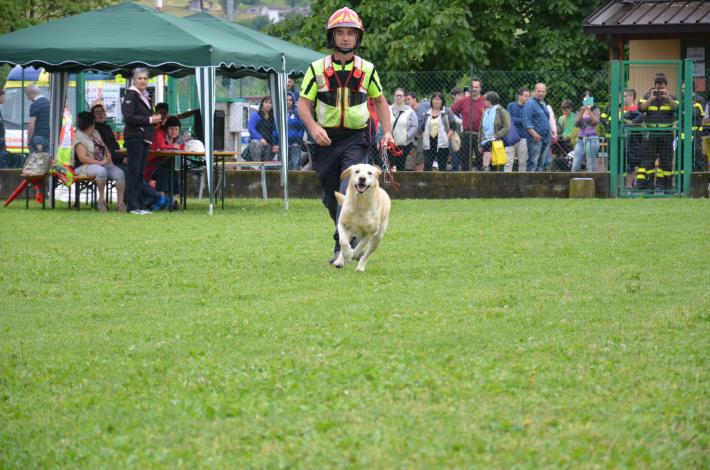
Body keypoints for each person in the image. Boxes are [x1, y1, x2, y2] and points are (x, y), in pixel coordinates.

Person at [297, 6, 393, 264]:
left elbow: (380, 102)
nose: (346, 38)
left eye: (351, 33)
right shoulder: (316, 68)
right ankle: (345, 233)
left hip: (357, 138)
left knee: (348, 186)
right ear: (332, 36)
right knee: (332, 198)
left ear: (358, 37)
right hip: (325, 139)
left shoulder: (367, 69)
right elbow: (303, 104)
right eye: (340, 33)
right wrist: (314, 128)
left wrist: (387, 133)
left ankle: (341, 246)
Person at [91, 103, 165, 210]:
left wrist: (125, 156)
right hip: (107, 162)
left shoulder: (107, 127)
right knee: (130, 174)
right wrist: (122, 158)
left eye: (102, 112)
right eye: (97, 113)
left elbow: (115, 147)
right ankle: (156, 197)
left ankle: (146, 201)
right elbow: (103, 150)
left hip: (117, 159)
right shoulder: (95, 131)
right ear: (92, 116)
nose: (101, 114)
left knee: (135, 172)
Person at [121, 67, 162, 215]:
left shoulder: (146, 96)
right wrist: (151, 119)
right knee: (133, 172)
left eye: (145, 78)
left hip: (145, 138)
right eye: (140, 78)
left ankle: (139, 204)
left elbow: (145, 117)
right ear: (134, 80)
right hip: (135, 137)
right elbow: (129, 117)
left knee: (140, 173)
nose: (143, 81)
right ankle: (132, 206)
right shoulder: (130, 95)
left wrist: (154, 120)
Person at [72, 111, 126, 212]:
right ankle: (101, 200)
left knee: (120, 173)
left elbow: (104, 146)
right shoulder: (79, 136)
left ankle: (120, 203)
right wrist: (100, 163)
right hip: (84, 166)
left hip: (102, 163)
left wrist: (109, 156)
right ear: (91, 123)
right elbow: (82, 158)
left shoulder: (95, 133)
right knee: (101, 171)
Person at [638, 73, 678, 190]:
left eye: (662, 87)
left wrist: (668, 98)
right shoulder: (648, 96)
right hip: (651, 133)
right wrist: (651, 98)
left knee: (666, 160)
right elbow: (641, 108)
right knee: (648, 159)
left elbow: (676, 108)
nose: (659, 90)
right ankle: (649, 186)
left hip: (666, 133)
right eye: (657, 87)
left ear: (666, 86)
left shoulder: (672, 97)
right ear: (654, 86)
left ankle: (666, 186)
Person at [450, 77, 485, 171]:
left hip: (480, 135)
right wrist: (458, 121)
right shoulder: (464, 101)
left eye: (477, 87)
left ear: (480, 88)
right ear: (470, 88)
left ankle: (480, 178)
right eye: (473, 87)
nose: (474, 89)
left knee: (481, 161)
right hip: (466, 135)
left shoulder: (485, 101)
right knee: (465, 162)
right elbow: (450, 111)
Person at [150, 115, 184, 209]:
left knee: (174, 173)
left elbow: (183, 147)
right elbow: (161, 146)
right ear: (166, 129)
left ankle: (173, 201)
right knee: (164, 171)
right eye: (171, 129)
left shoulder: (179, 138)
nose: (174, 132)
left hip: (165, 166)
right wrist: (173, 146)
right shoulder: (160, 134)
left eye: (176, 129)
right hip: (152, 165)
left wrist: (176, 146)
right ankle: (161, 198)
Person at [479, 91, 512, 171]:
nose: (483, 101)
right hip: (485, 140)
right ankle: (486, 168)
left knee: (497, 166)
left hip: (498, 141)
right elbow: (481, 129)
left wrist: (496, 135)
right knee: (487, 146)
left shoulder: (501, 111)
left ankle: (485, 167)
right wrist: (479, 144)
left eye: (485, 99)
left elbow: (507, 127)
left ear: (490, 100)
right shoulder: (485, 112)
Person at [420, 92, 453, 171]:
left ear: (442, 101)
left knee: (442, 166)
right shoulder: (427, 113)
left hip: (442, 144)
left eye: (438, 99)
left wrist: (446, 138)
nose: (436, 101)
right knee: (427, 166)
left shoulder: (447, 112)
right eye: (434, 99)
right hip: (429, 143)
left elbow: (453, 126)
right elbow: (422, 128)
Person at [523, 82, 551, 172]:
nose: (541, 93)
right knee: (533, 163)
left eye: (543, 91)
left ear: (546, 93)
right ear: (534, 91)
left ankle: (539, 181)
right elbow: (526, 122)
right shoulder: (530, 104)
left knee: (541, 164)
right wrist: (535, 135)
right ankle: (530, 181)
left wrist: (551, 134)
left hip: (545, 138)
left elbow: (546, 120)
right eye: (539, 91)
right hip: (535, 139)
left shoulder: (543, 103)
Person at [390, 88, 417, 171]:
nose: (398, 97)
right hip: (390, 142)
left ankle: (400, 179)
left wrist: (407, 136)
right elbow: (382, 123)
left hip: (405, 143)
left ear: (404, 97)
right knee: (389, 164)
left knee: (400, 165)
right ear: (394, 96)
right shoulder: (388, 109)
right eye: (397, 95)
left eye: (400, 96)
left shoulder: (410, 111)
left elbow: (414, 125)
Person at [247, 96, 279, 161]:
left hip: (270, 144)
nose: (268, 105)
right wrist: (260, 138)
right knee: (255, 142)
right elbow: (251, 128)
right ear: (262, 104)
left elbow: (276, 131)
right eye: (266, 102)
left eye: (270, 103)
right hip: (258, 143)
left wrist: (276, 144)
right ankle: (257, 164)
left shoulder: (274, 117)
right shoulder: (255, 115)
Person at [506, 87, 530, 172]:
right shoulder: (511, 105)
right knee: (508, 162)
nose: (528, 98)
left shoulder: (529, 107)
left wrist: (517, 120)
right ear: (519, 96)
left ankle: (522, 180)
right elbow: (508, 119)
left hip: (523, 138)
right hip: (511, 137)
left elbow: (529, 121)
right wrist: (523, 120)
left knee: (523, 162)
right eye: (525, 96)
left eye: (528, 96)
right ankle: (507, 179)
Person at [571, 104, 600, 172]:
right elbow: (576, 124)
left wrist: (589, 111)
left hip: (592, 139)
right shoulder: (579, 111)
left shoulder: (595, 110)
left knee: (590, 165)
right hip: (581, 140)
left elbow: (596, 122)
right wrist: (581, 113)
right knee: (575, 165)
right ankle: (574, 178)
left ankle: (591, 177)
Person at [405, 92, 430, 171]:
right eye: (406, 100)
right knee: (412, 157)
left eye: (409, 99)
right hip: (412, 137)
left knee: (420, 157)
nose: (407, 102)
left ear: (415, 99)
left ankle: (420, 174)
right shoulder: (408, 111)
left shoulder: (425, 105)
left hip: (423, 135)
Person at [25, 85, 50, 153]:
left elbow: (31, 125)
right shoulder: (48, 102)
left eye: (27, 95)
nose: (27, 97)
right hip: (48, 137)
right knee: (46, 158)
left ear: (31, 93)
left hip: (37, 137)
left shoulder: (35, 104)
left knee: (36, 158)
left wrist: (29, 140)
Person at [286, 92, 305, 170]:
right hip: (283, 143)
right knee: (284, 164)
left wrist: (298, 140)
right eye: (286, 100)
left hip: (295, 142)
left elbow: (301, 128)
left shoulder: (297, 113)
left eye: (290, 100)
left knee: (295, 164)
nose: (288, 102)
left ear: (293, 101)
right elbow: (275, 129)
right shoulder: (280, 113)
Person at [449, 87, 464, 171]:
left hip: (464, 134)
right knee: (455, 154)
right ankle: (454, 172)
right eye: (459, 95)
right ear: (454, 96)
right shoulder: (450, 108)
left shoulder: (465, 107)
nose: (462, 96)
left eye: (462, 94)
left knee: (464, 155)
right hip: (455, 134)